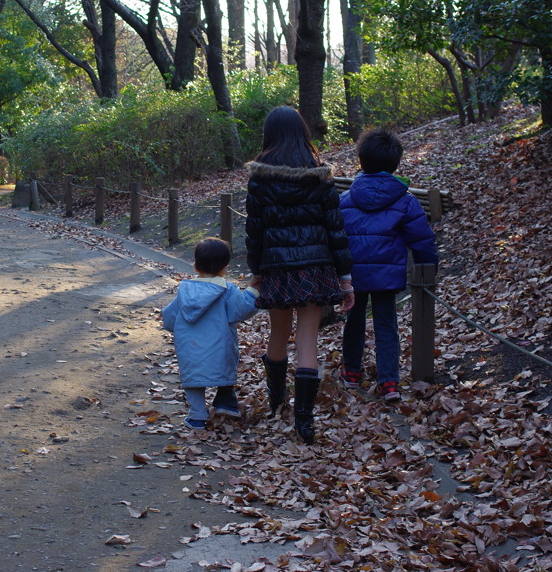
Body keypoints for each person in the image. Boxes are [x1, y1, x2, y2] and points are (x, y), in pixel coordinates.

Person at [245, 106, 355, 444]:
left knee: (278, 335)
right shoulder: (320, 176)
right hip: (316, 266)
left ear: (270, 135)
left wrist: (256, 271)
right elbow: (335, 229)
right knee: (308, 340)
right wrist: (345, 277)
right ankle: (304, 422)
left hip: (278, 268)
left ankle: (277, 402)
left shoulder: (260, 179)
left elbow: (255, 231)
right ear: (302, 133)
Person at [339, 127, 439, 402]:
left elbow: (335, 239)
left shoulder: (345, 200)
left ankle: (351, 373)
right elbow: (422, 241)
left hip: (354, 276)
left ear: (361, 161)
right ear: (396, 164)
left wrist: (338, 274)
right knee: (386, 325)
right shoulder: (406, 201)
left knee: (354, 321)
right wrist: (428, 270)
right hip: (387, 275)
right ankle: (389, 382)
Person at [161, 238, 260, 430]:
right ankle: (225, 402)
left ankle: (197, 416)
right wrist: (253, 292)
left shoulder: (185, 290)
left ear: (195, 266)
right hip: (220, 346)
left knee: (194, 381)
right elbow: (242, 310)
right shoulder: (227, 290)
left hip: (190, 349)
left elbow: (169, 319)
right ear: (225, 268)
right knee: (223, 373)